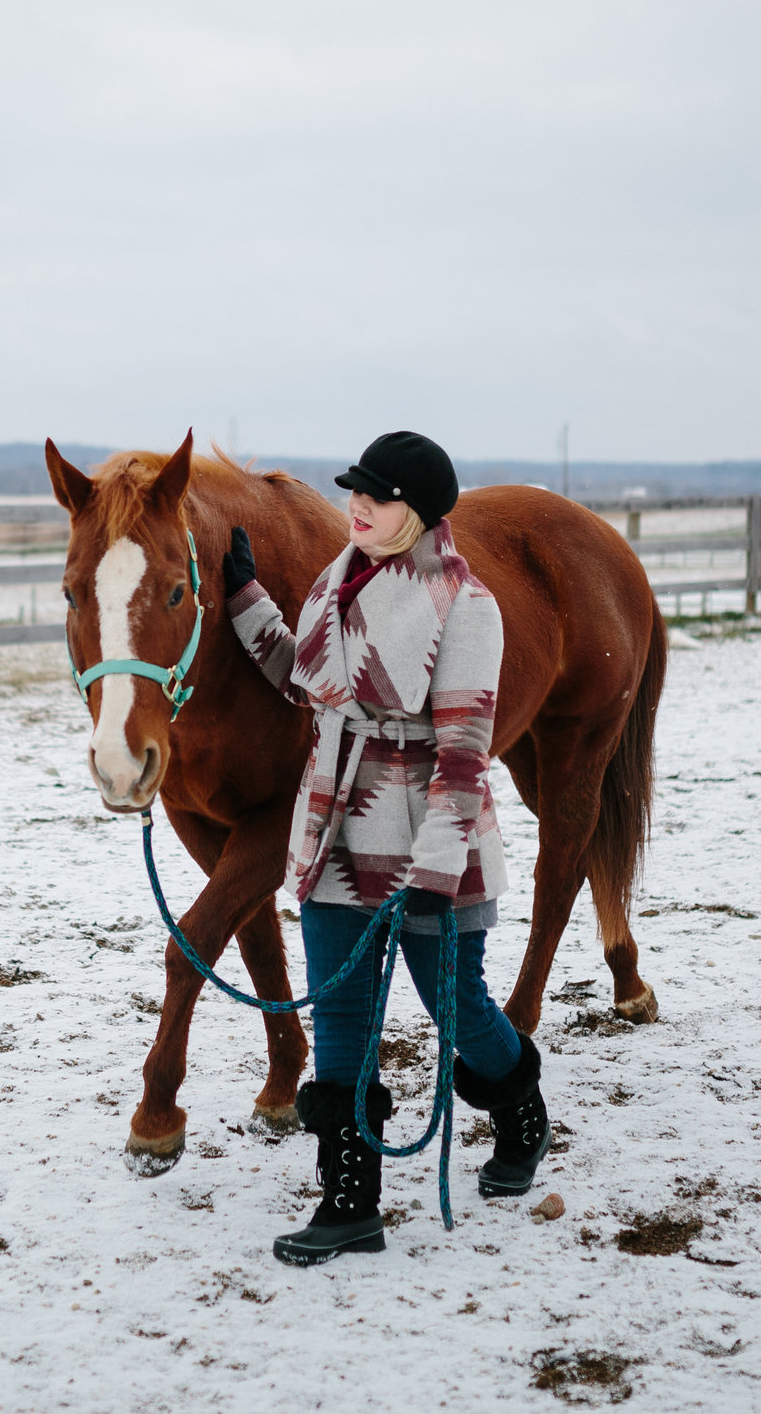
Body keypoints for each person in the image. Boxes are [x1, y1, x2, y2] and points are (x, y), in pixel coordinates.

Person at [221, 430, 552, 1267]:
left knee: (457, 1010)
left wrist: (435, 876)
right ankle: (348, 1201)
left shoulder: (467, 607)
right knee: (339, 1019)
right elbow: (310, 681)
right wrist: (245, 600)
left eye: (376, 495)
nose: (356, 506)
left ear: (420, 511)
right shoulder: (336, 583)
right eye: (354, 492)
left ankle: (518, 1108)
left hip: (427, 847)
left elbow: (465, 756)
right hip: (336, 832)